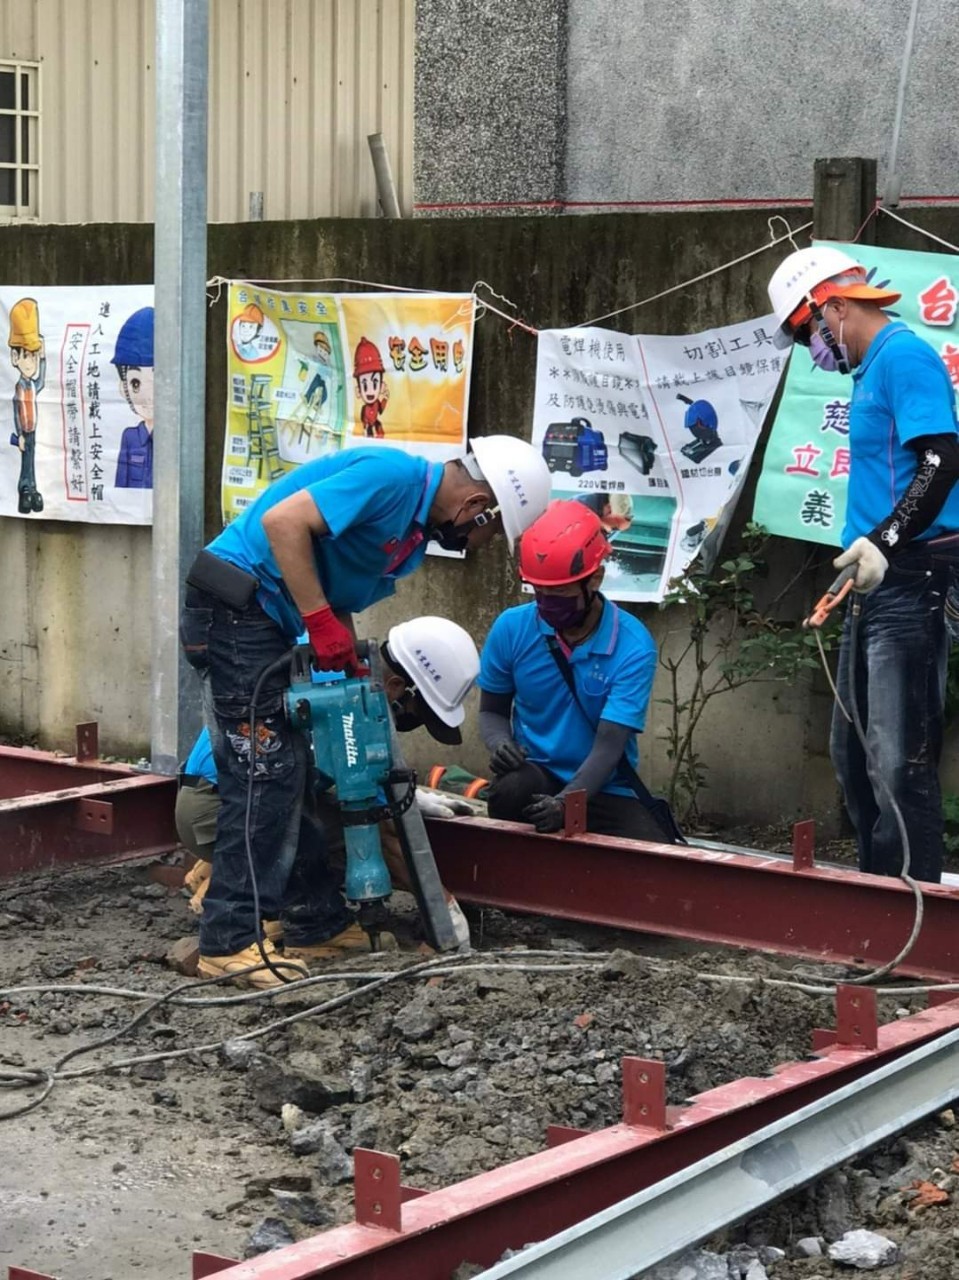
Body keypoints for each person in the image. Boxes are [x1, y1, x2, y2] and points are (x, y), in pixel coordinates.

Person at [179, 436, 551, 986]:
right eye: (490, 532)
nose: (481, 544)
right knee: (264, 774)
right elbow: (284, 523)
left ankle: (316, 924)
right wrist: (319, 623)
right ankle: (228, 940)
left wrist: (346, 659)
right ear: (477, 506)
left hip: (264, 618)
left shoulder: (410, 534)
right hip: (237, 608)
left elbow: (336, 592)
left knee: (294, 772)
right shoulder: (392, 478)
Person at [768, 244, 959, 884]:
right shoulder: (870, 368)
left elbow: (942, 459)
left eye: (806, 334)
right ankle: (877, 897)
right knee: (853, 754)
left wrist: (887, 538)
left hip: (912, 577)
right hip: (875, 577)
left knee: (899, 760)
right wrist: (867, 551)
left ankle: (912, 911)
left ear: (834, 307)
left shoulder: (904, 357)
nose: (810, 350)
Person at [176, 615, 480, 953]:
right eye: (416, 712)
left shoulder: (326, 662)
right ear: (395, 686)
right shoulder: (349, 703)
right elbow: (388, 837)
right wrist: (444, 911)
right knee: (362, 832)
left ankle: (262, 894)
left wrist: (410, 797)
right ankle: (309, 926)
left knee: (325, 810)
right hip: (216, 812)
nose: (410, 723)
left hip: (209, 797)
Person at [477, 499, 676, 841]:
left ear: (595, 578)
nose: (547, 602)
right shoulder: (512, 628)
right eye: (539, 591)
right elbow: (491, 711)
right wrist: (500, 744)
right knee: (509, 790)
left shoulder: (633, 646)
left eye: (560, 591)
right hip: (537, 773)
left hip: (604, 785)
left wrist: (565, 804)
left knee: (650, 849)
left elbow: (609, 747)